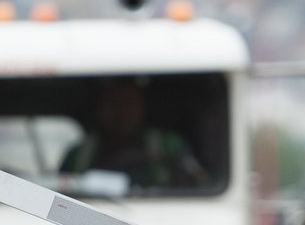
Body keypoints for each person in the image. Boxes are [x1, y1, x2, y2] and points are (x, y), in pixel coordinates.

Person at [60, 77, 209, 190]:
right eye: (114, 103)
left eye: (129, 103)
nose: (121, 112)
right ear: (100, 108)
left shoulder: (169, 144)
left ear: (142, 107)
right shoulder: (78, 154)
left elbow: (196, 182)